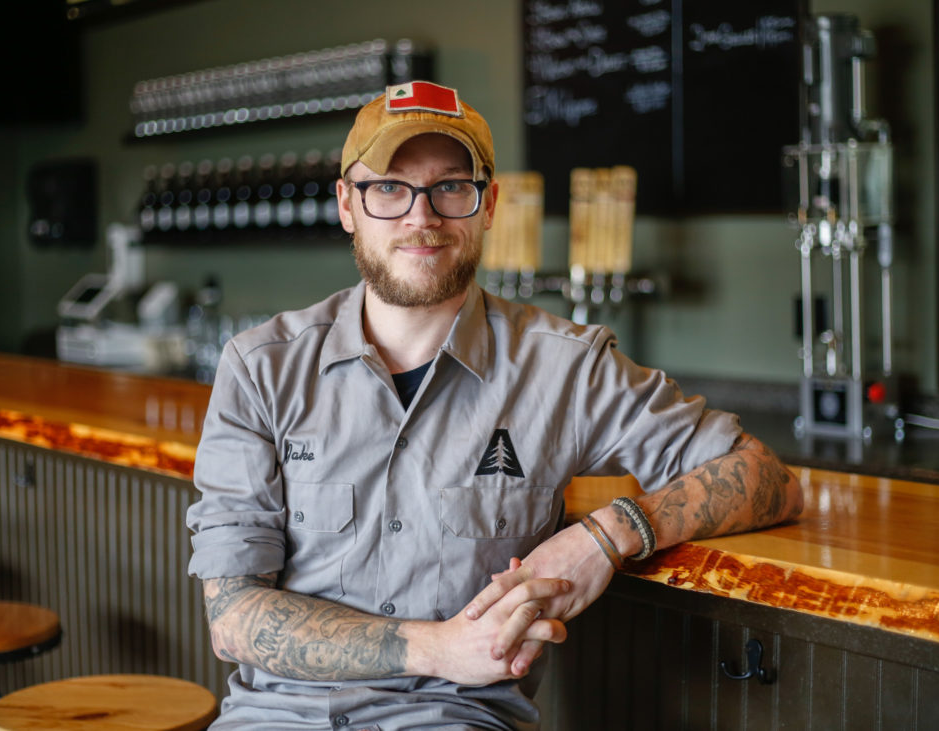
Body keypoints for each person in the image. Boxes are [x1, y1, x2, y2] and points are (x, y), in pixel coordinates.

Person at [186, 80, 804, 730]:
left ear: (488, 205)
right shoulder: (261, 367)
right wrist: (442, 647)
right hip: (277, 717)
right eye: (390, 187)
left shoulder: (566, 367)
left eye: (451, 187)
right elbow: (232, 617)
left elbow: (766, 476)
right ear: (347, 203)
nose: (421, 217)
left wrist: (609, 533)